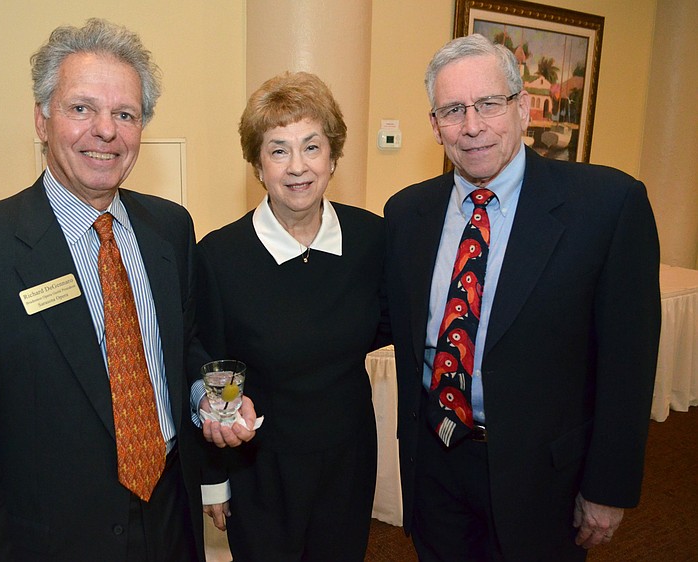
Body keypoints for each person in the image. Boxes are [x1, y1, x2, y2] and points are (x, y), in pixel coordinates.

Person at [0, 19, 208, 561]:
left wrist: (205, 397)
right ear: (41, 120)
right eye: (81, 108)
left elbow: (184, 348)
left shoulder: (172, 229)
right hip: (51, 540)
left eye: (125, 114)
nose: (105, 130)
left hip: (171, 519)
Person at [384, 34, 661, 561]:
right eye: (452, 110)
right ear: (434, 124)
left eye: (489, 104)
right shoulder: (406, 213)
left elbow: (629, 361)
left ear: (524, 108)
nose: (472, 126)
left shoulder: (607, 206)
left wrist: (608, 487)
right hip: (436, 464)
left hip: (544, 480)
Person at [194, 71, 389, 561]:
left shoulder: (373, 241)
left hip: (347, 462)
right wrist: (214, 480)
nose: (297, 167)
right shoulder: (218, 256)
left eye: (312, 147)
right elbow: (208, 366)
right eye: (278, 149)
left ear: (333, 156)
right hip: (259, 469)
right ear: (257, 165)